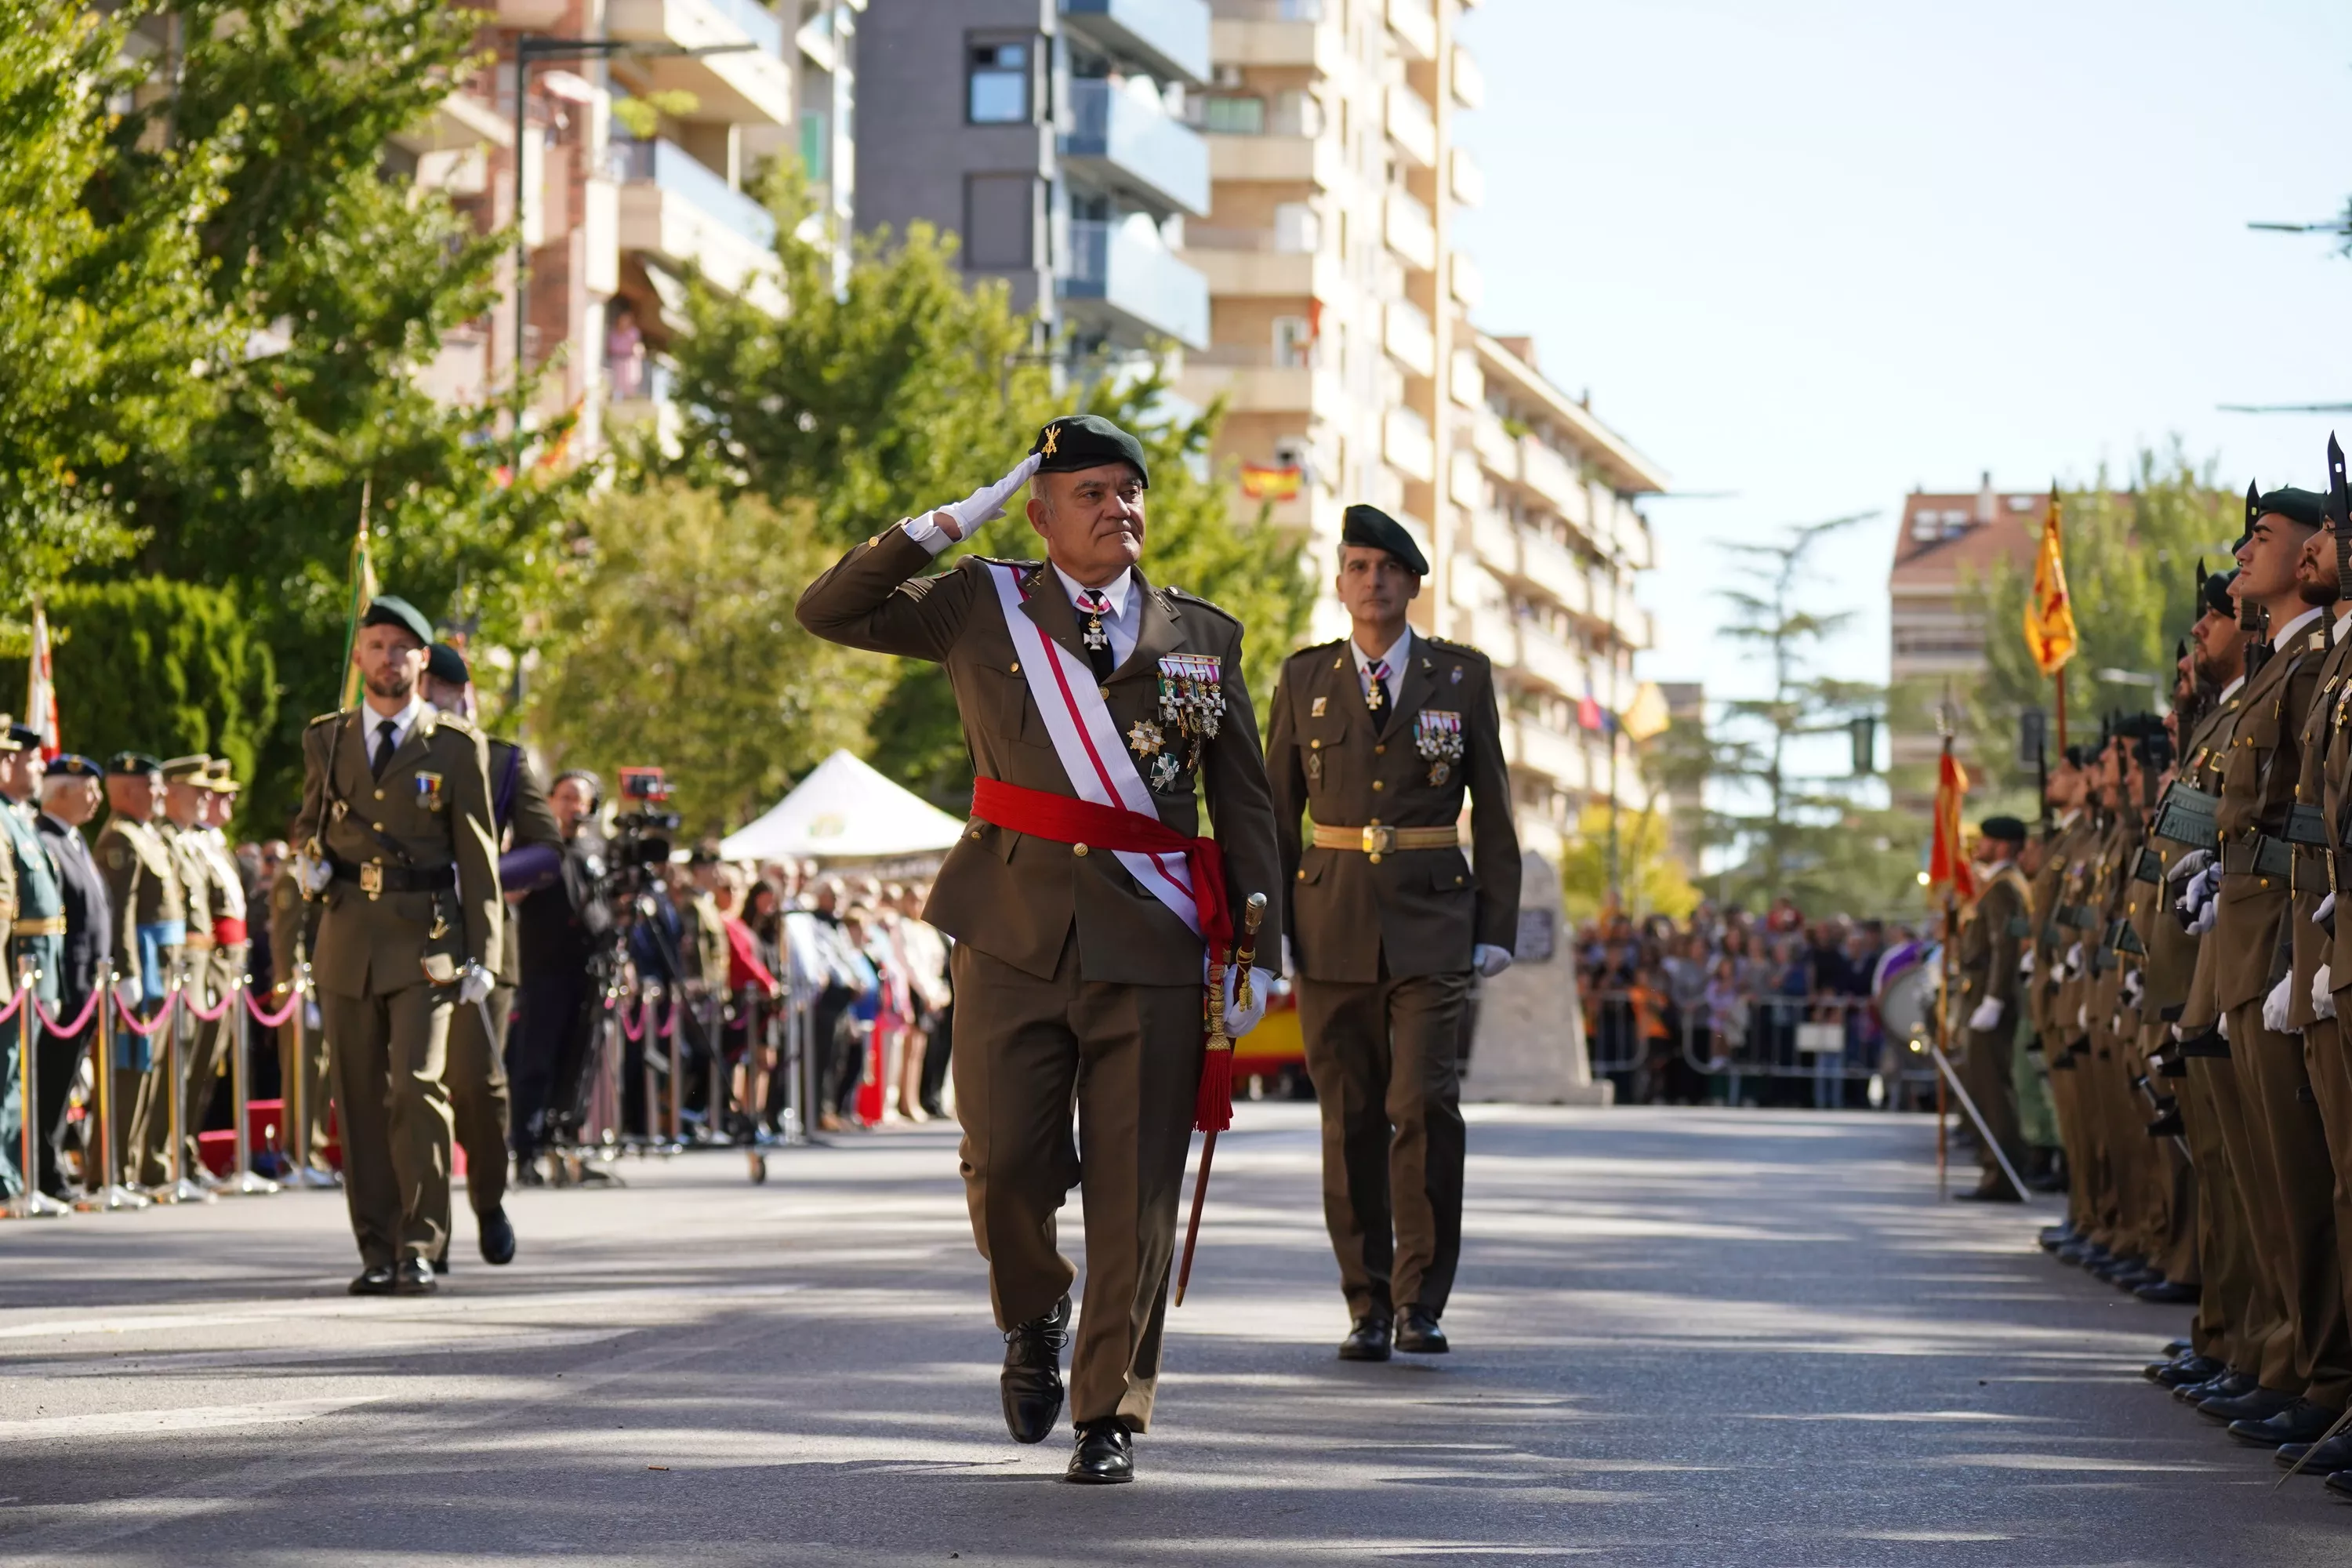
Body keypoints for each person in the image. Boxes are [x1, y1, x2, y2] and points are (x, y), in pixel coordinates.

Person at [797, 413, 1282, 1486]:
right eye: (1093, 492)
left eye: (1131, 490)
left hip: (1153, 943)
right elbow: (829, 610)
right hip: (1010, 932)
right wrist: (943, 524)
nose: (1120, 508)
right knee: (1006, 1162)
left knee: (1137, 1188)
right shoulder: (982, 603)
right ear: (1040, 510)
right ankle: (1031, 1310)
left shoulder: (1203, 637)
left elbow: (1244, 807)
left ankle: (1109, 1411)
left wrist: (1259, 949)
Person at [1262, 502, 1521, 1363]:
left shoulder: (1461, 677)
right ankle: (1366, 1301)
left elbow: (1496, 811)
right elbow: (1273, 816)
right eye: (1358, 566)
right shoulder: (1304, 679)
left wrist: (1497, 924)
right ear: (1340, 583)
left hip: (1433, 920)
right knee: (1350, 1117)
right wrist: (1267, 936)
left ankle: (1421, 1299)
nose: (1373, 581)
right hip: (1329, 917)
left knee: (1424, 1104)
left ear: (1413, 583)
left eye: (1388, 568)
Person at [292, 595, 501, 1296]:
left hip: (428, 941)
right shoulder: (327, 738)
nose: (388, 658)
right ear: (359, 658)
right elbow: (309, 822)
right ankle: (376, 1249)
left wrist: (486, 955)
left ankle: (420, 1243)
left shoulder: (454, 745)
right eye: (376, 645)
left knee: (415, 1087)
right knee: (356, 1099)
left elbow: (479, 860)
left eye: (400, 648)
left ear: (421, 659)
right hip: (348, 936)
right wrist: (307, 865)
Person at [421, 641, 561, 1267]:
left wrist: (479, 872)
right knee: (413, 1088)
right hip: (405, 936)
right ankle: (424, 1229)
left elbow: (546, 849)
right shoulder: (378, 757)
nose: (428, 702)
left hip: (480, 939)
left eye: (440, 692)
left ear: (461, 694)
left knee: (476, 1086)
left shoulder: (499, 760)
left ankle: (487, 1200)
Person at [511, 768, 611, 1174]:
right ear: (550, 800)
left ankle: (566, 1146)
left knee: (578, 1059)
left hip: (587, 969)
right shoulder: (534, 844)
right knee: (536, 1060)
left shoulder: (594, 849)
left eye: (581, 799)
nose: (574, 806)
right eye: (566, 797)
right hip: (544, 968)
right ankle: (527, 1151)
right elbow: (510, 892)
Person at [95, 752, 183, 1189]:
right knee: (130, 1071)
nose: (162, 793)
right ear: (128, 789)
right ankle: (114, 1170)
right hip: (143, 969)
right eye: (153, 785)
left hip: (162, 969)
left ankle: (137, 1168)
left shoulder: (146, 835)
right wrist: (127, 972)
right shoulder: (121, 839)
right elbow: (120, 913)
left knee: (151, 1072)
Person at [34, 755, 110, 1199]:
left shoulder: (74, 840)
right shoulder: (46, 839)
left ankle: (51, 1167)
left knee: (64, 1087)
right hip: (64, 986)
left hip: (87, 986)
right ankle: (46, 1171)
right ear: (60, 791)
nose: (97, 797)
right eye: (88, 788)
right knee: (51, 1084)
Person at [157, 755, 229, 1191]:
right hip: (186, 966)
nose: (207, 797)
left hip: (209, 965)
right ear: (173, 793)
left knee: (200, 1069)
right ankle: (163, 1157)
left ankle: (182, 1149)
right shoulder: (167, 840)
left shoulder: (193, 841)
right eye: (196, 789)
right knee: (177, 1066)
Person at [1954, 815, 2031, 1200]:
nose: (1978, 847)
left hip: (1990, 994)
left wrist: (1995, 999)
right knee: (1985, 1088)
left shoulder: (2003, 888)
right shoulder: (1997, 885)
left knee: (1992, 1090)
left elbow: (2005, 946)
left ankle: (2001, 1174)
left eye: (1984, 841)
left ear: (2003, 845)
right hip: (1982, 992)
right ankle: (1994, 1168)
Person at [0, 722, 60, 1200]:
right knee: (8, 1074)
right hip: (17, 963)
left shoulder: (19, 818)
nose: (40, 765)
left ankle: (16, 1177)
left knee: (20, 1074)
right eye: (29, 758)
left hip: (37, 965)